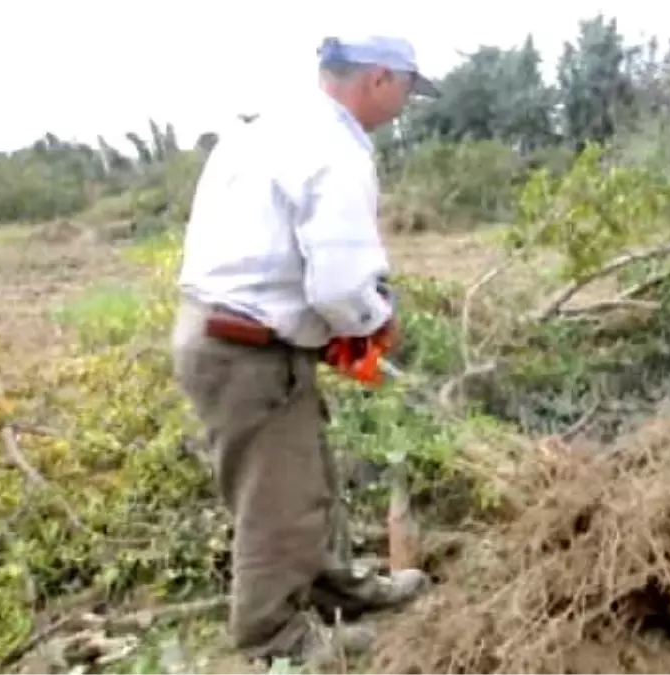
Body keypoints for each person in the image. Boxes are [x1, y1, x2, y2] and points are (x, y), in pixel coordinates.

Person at [170, 34, 440, 666]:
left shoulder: (266, 129)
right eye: (405, 89)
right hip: (247, 351)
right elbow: (342, 287)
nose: (404, 105)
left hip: (238, 338)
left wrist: (334, 333)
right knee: (276, 501)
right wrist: (376, 323)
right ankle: (274, 638)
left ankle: (337, 590)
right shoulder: (337, 150)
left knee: (307, 476)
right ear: (379, 79)